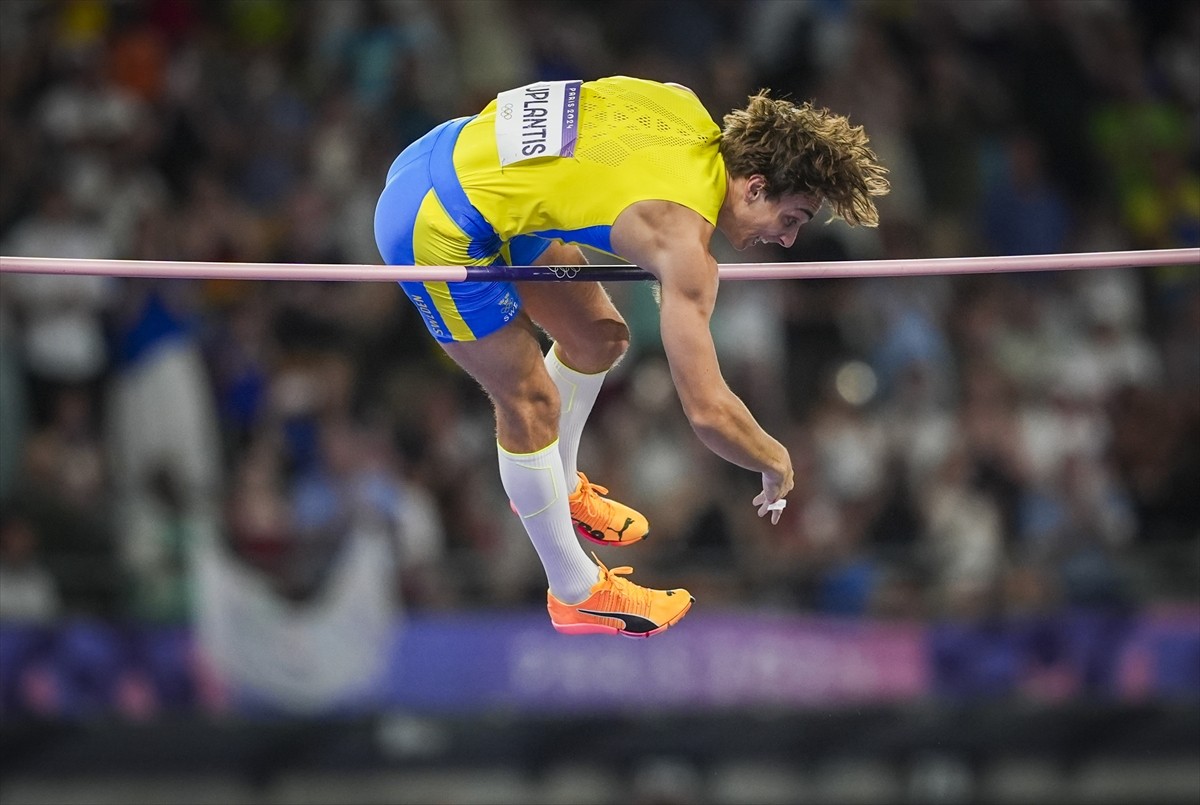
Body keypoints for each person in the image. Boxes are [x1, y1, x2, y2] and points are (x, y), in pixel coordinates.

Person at [374, 76, 888, 637]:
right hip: (435, 219)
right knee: (529, 401)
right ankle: (575, 593)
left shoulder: (685, 105)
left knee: (600, 337)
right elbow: (709, 413)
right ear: (753, 187)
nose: (788, 241)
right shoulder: (682, 243)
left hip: (457, 161)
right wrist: (775, 460)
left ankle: (559, 488)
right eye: (791, 220)